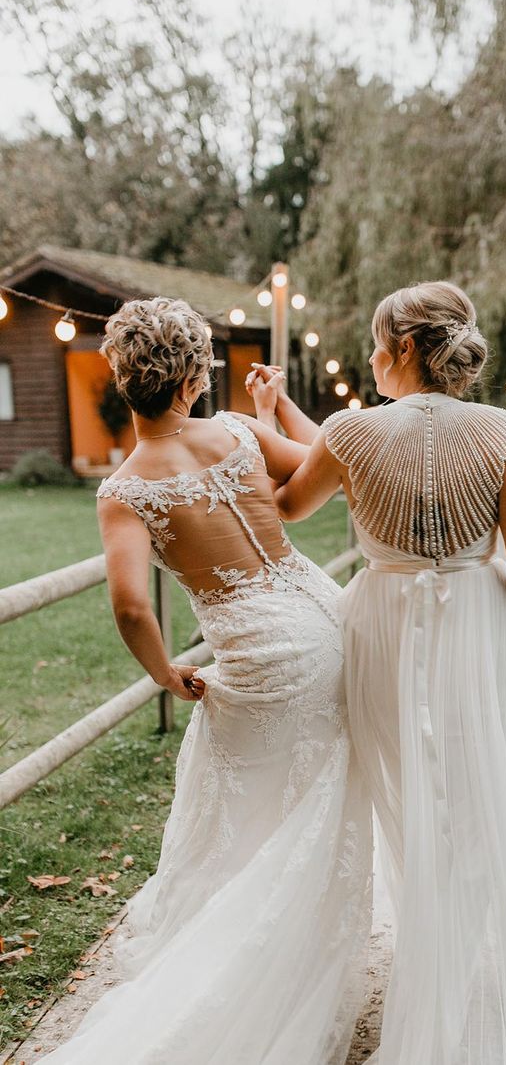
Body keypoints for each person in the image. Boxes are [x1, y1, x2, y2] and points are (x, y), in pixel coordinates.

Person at [249, 280, 506, 1064]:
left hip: (381, 626)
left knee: (404, 785)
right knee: (482, 789)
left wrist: (262, 423)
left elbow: (294, 496)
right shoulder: (501, 429)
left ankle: (429, 933)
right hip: (482, 622)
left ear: (405, 348)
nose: (371, 356)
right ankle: (462, 936)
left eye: (378, 343)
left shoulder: (352, 434)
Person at [35, 296, 372, 1065]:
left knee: (248, 824)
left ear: (123, 382)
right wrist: (275, 407)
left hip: (258, 657)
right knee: (315, 804)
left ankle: (251, 973)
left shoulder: (124, 491)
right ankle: (301, 964)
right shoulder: (239, 432)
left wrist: (166, 672)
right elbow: (332, 462)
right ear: (192, 378)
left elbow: (128, 605)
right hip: (325, 621)